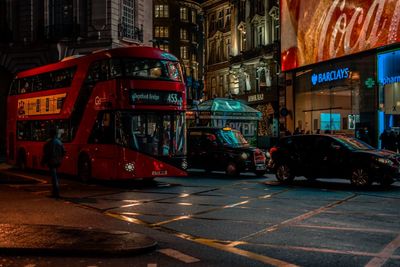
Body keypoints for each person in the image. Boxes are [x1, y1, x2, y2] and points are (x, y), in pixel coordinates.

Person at [41, 128, 66, 198]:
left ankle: (56, 193)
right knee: (55, 176)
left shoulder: (48, 142)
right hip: (58, 161)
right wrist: (60, 157)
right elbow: (64, 151)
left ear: (50, 134)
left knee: (54, 178)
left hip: (51, 161)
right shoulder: (59, 142)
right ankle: (55, 192)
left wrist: (43, 161)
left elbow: (46, 154)